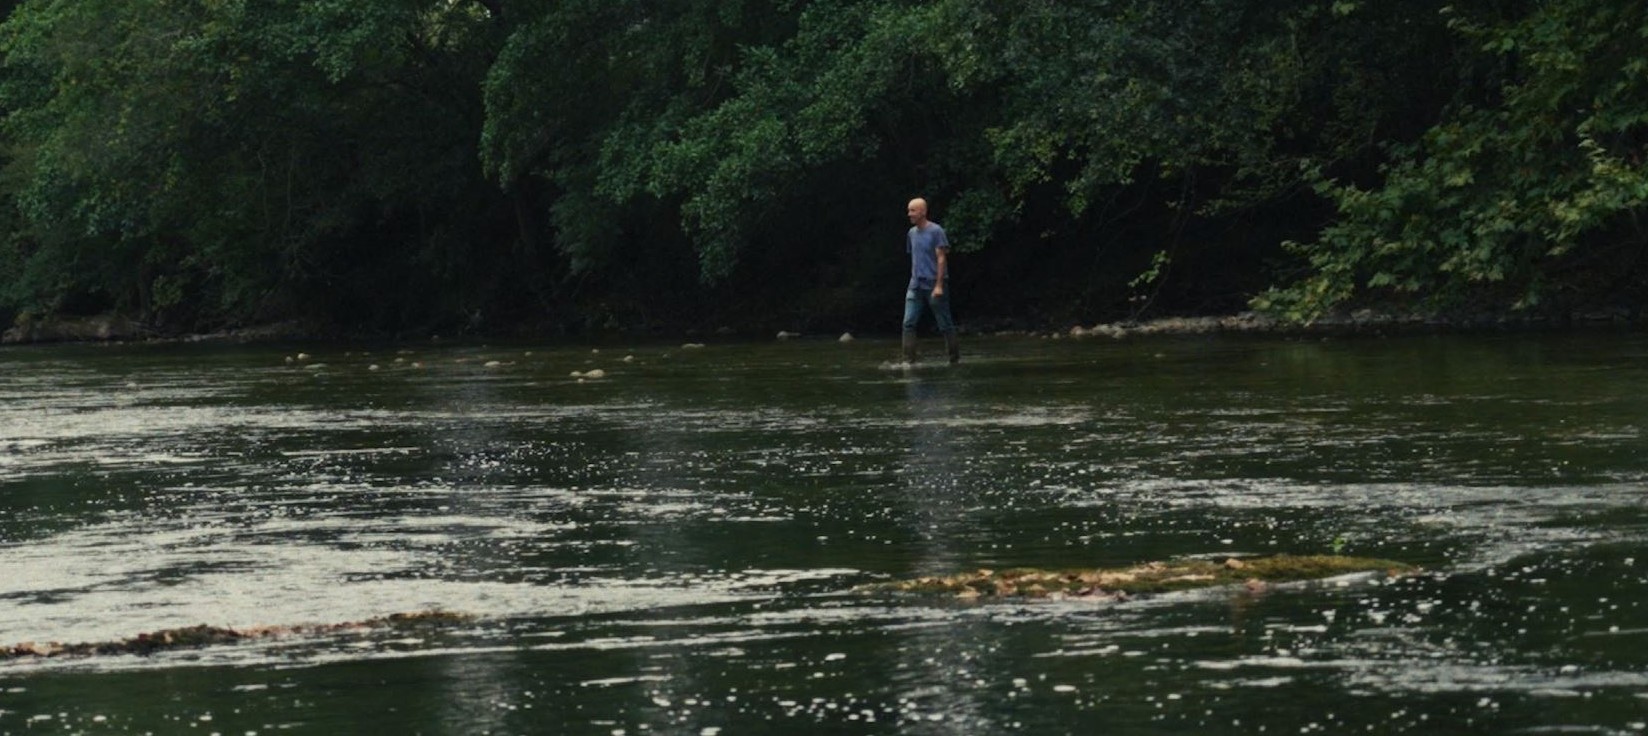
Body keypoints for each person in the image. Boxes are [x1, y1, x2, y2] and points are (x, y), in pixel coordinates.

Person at [902, 197, 959, 364]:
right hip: (915, 285)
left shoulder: (936, 231)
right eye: (909, 210)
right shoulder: (911, 233)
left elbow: (941, 258)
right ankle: (908, 361)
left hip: (934, 284)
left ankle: (954, 359)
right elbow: (915, 257)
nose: (909, 214)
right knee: (908, 323)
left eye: (913, 210)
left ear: (923, 212)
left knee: (944, 324)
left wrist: (939, 285)